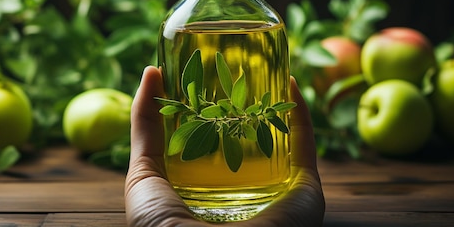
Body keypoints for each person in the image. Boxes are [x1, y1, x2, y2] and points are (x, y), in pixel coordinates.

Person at [124, 66, 325, 227]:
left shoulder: (271, 24)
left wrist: (165, 222)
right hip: (189, 200)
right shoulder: (176, 26)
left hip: (271, 199)